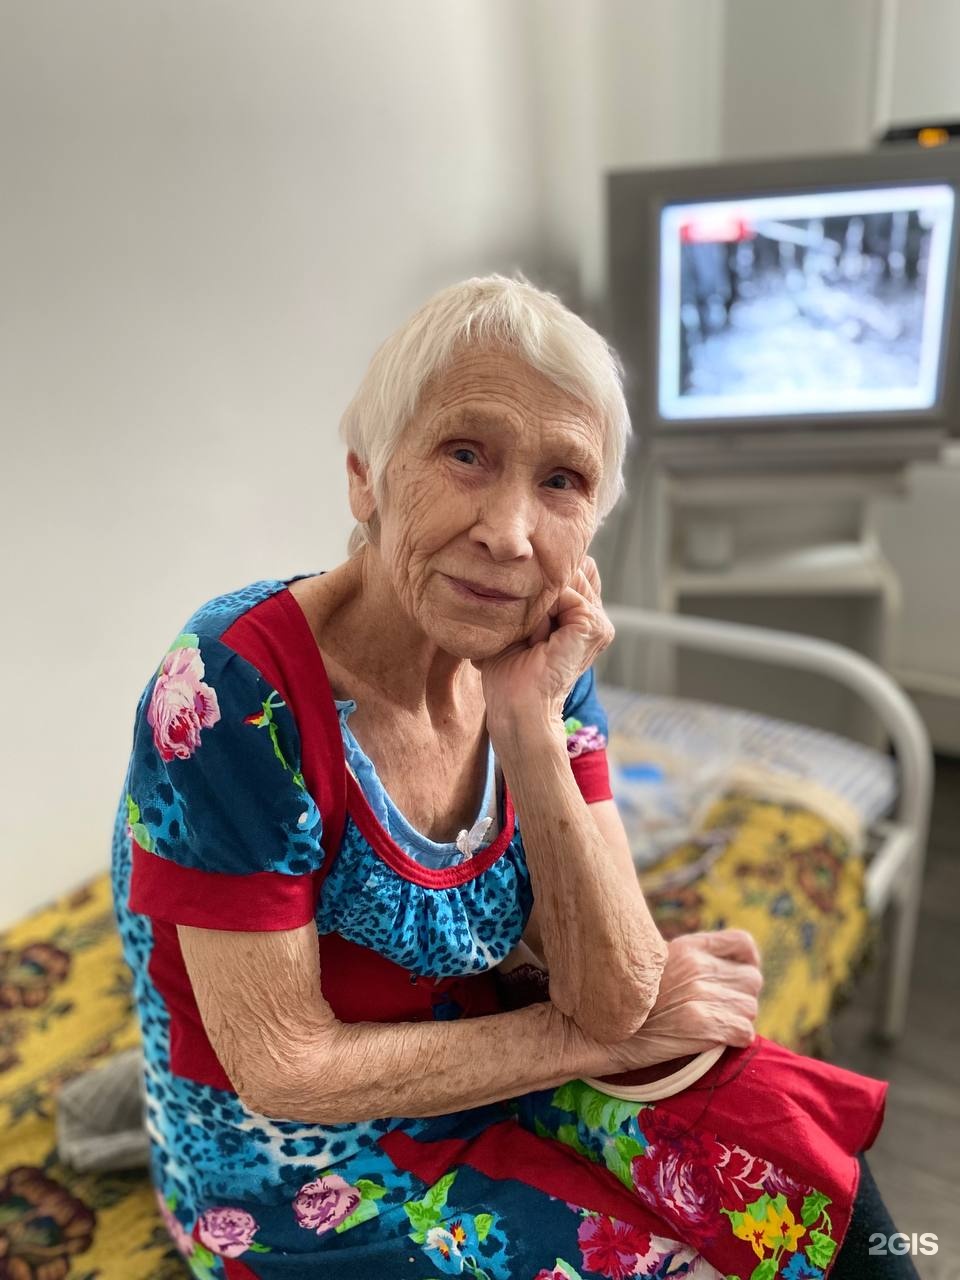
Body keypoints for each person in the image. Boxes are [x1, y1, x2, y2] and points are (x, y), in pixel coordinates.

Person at [111, 273, 913, 1280]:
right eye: (465, 453)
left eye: (562, 480)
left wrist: (529, 722)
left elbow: (614, 991)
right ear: (366, 479)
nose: (510, 531)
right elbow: (286, 1067)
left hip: (484, 1048)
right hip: (295, 1159)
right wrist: (587, 1042)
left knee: (797, 1164)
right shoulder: (232, 690)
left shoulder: (542, 652)